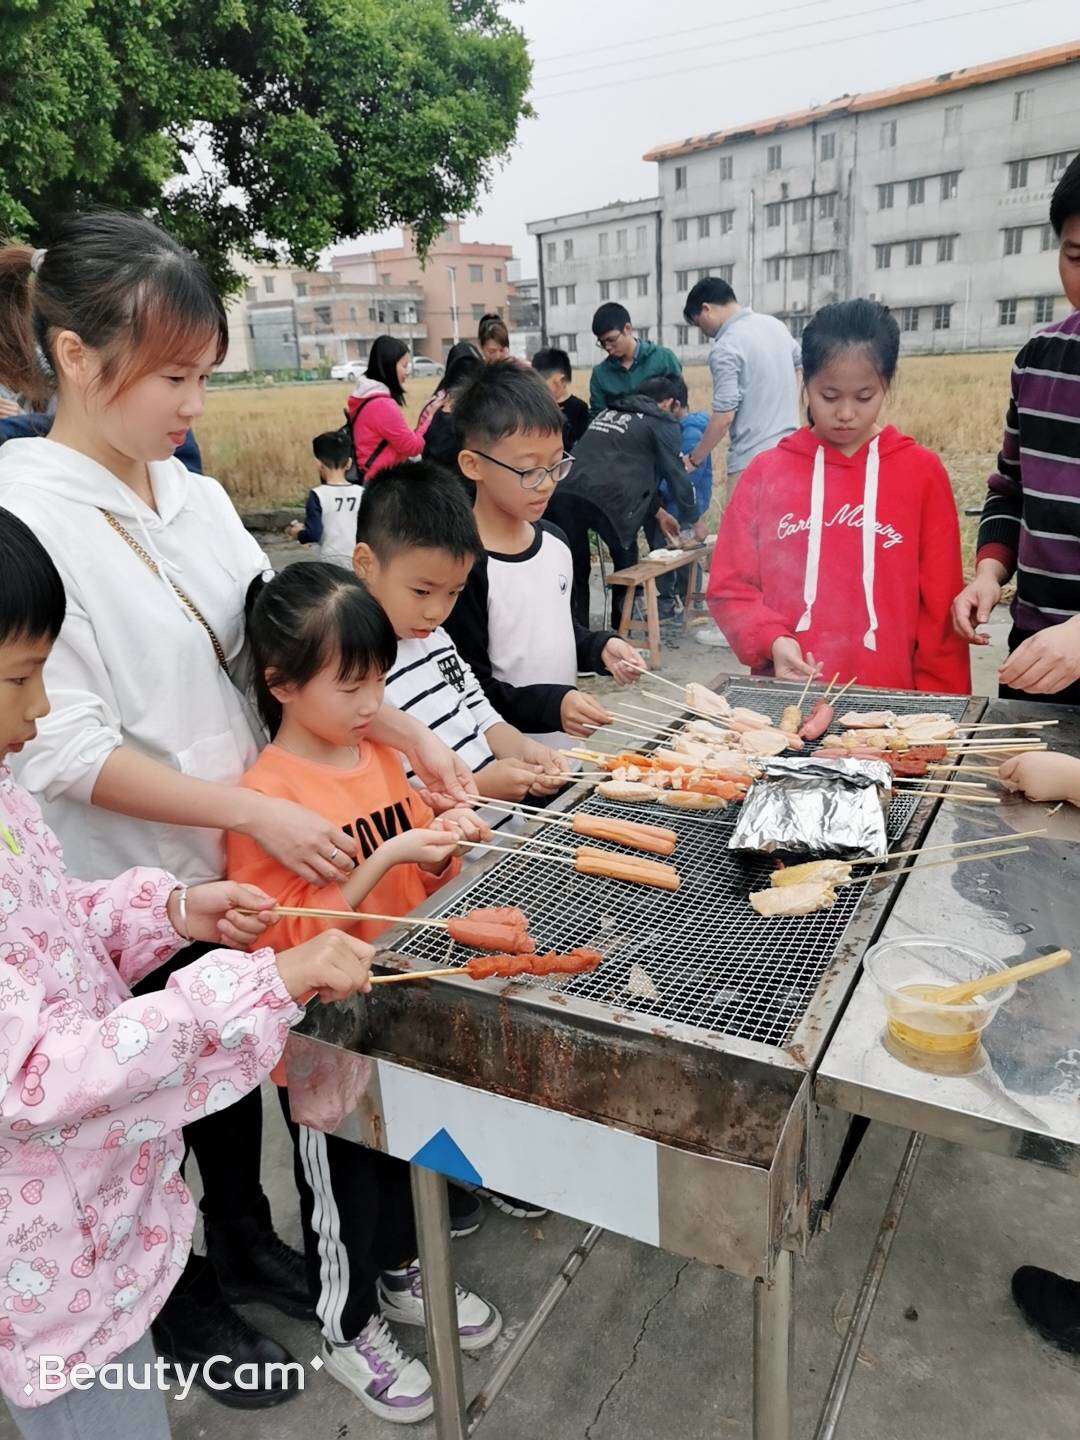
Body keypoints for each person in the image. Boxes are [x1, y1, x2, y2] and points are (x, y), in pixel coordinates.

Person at [0, 210, 477, 1406]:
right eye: (174, 376)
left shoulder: (188, 494)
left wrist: (395, 720)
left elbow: (287, 636)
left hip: (246, 850)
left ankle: (246, 1238)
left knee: (234, 1076)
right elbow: (60, 746)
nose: (194, 404)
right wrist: (250, 814)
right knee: (141, 1098)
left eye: (204, 377)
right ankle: (177, 1302)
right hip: (137, 872)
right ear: (72, 359)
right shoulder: (29, 508)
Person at [0, 509, 376, 1433]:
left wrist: (168, 908)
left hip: (97, 1223)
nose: (41, 709)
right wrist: (264, 984)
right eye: (18, 678)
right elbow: (35, 1075)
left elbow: (48, 925)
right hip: (48, 1269)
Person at [227, 564, 502, 1424]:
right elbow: (291, 943)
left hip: (402, 1004)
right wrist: (388, 855)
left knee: (402, 1160)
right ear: (279, 684)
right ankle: (345, 1332)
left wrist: (451, 837)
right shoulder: (266, 798)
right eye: (351, 684)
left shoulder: (381, 752)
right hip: (324, 1040)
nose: (371, 701)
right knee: (342, 1187)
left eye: (379, 678)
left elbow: (426, 878)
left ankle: (399, 1272)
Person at [707, 299, 970, 693]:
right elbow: (731, 589)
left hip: (891, 706)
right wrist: (771, 639)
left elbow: (940, 614)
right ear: (805, 382)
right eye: (829, 396)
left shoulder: (920, 474)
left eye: (864, 396)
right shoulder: (766, 474)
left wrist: (943, 711)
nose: (846, 413)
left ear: (887, 383)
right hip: (788, 699)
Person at [447, 362, 645, 744]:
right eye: (529, 471)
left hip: (565, 755)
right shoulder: (460, 567)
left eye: (557, 465)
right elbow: (469, 688)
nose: (547, 484)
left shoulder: (554, 543)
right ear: (474, 465)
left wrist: (599, 647)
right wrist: (552, 706)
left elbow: (555, 630)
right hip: (507, 771)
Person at [355, 461, 569, 810]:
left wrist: (526, 751)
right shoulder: (350, 672)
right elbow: (389, 809)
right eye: (422, 591)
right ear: (366, 563)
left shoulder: (436, 640)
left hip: (506, 831)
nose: (437, 612)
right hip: (456, 856)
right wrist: (480, 789)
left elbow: (483, 716)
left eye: (454, 592)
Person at [952, 155, 1080, 703]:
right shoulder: (1039, 361)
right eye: (1077, 256)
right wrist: (987, 576)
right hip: (1035, 653)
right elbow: (1010, 492)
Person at [545, 377, 694, 630]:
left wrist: (658, 512)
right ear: (669, 403)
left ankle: (577, 634)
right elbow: (675, 474)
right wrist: (694, 519)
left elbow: (621, 468)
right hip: (611, 502)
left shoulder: (608, 412)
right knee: (626, 562)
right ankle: (621, 632)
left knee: (575, 567)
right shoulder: (661, 422)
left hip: (566, 491)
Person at [682, 276, 802, 504]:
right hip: (791, 453)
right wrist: (791, 401)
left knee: (742, 536)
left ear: (706, 309)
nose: (704, 332)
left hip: (752, 463)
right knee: (782, 533)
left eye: (699, 324)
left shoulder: (726, 346)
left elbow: (724, 416)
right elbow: (800, 363)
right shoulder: (775, 325)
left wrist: (694, 459)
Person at [347, 336, 435, 483]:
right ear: (389, 365)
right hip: (384, 485)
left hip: (374, 480)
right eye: (404, 366)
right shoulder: (382, 405)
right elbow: (412, 447)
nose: (406, 372)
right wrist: (429, 418)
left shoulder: (366, 397)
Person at [286, 429, 365, 567]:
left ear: (318, 464)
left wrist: (298, 533)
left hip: (331, 564)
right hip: (360, 562)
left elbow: (313, 534)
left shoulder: (318, 495)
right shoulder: (362, 492)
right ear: (349, 463)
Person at [588, 302, 681, 416]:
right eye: (602, 343)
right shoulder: (600, 375)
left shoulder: (664, 359)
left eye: (611, 340)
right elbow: (597, 417)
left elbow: (679, 402)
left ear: (627, 329)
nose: (607, 347)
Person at [419, 341, 484, 477]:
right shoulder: (486, 404)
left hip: (436, 483)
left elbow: (421, 442)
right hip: (471, 484)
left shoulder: (433, 403)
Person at [531, 347, 590, 450]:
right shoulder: (535, 407)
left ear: (561, 381)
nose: (538, 389)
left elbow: (579, 445)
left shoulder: (579, 408)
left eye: (542, 384)